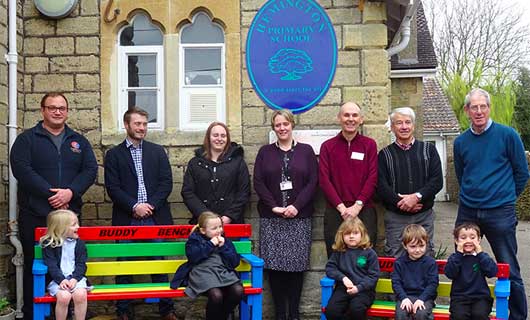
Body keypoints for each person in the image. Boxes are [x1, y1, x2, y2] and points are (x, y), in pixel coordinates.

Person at [10, 92, 97, 319]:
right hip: (36, 215)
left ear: (67, 111)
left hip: (70, 219)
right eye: (52, 107)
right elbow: (21, 168)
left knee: (69, 263)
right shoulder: (26, 140)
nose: (57, 111)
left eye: (62, 108)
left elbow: (90, 170)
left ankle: (72, 312)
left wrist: (71, 192)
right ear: (43, 111)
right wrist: (51, 193)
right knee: (36, 265)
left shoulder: (79, 141)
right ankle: (34, 313)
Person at [453, 88, 529, 320]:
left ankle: (516, 316)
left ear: (489, 107)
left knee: (508, 268)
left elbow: (522, 172)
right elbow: (461, 174)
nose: (479, 111)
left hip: (500, 211)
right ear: (467, 111)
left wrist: (506, 198)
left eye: (482, 106)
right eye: (473, 107)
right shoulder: (460, 142)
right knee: (462, 261)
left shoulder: (508, 135)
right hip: (468, 210)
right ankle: (466, 310)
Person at [104, 107, 176, 320]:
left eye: (145, 124)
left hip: (155, 217)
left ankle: (166, 310)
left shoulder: (157, 151)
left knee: (159, 264)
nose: (142, 128)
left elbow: (166, 183)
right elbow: (113, 187)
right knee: (125, 265)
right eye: (137, 124)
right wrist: (134, 206)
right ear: (127, 125)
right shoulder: (114, 155)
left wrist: (149, 205)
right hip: (127, 218)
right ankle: (123, 311)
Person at [253, 109, 318, 320]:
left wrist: (296, 206)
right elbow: (259, 182)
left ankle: (295, 313)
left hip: (299, 218)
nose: (282, 128)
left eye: (285, 124)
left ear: (292, 125)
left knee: (296, 267)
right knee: (274, 267)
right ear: (274, 128)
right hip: (272, 218)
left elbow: (313, 182)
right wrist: (274, 206)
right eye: (278, 125)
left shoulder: (306, 151)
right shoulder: (265, 152)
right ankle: (280, 313)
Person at [378, 107, 443, 257]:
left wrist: (416, 197)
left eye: (408, 122)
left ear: (413, 125)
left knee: (425, 256)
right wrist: (401, 203)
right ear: (393, 127)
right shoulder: (384, 155)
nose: (404, 126)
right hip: (396, 217)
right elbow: (381, 186)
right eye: (399, 123)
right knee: (396, 257)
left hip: (424, 216)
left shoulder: (429, 150)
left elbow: (437, 180)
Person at [319, 101, 378, 257]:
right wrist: (342, 208)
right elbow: (324, 180)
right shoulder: (327, 147)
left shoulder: (369, 145)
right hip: (336, 212)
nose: (350, 119)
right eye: (346, 115)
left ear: (361, 119)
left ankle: (361, 282)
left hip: (364, 210)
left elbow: (373, 177)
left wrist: (357, 206)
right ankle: (340, 282)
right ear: (339, 118)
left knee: (364, 256)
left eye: (354, 115)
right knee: (336, 254)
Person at [170, 211, 243, 320]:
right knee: (216, 295)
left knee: (238, 291)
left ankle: (222, 317)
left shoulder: (225, 241)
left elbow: (234, 262)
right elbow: (193, 257)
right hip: (202, 274)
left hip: (222, 272)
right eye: (214, 228)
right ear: (203, 230)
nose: (219, 231)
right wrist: (211, 244)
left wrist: (223, 247)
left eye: (220, 227)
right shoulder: (194, 240)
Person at [182, 121, 250, 224]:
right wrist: (206, 216)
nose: (219, 139)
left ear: (227, 139)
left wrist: (229, 216)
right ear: (208, 138)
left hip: (231, 223)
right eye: (215, 135)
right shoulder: (195, 163)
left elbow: (244, 192)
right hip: (202, 222)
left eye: (223, 136)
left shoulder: (238, 162)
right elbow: (188, 192)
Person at [324, 218, 380, 320]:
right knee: (331, 312)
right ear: (341, 235)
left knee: (356, 310)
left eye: (355, 233)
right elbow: (330, 268)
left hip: (364, 291)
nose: (351, 236)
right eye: (347, 233)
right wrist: (343, 278)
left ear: (362, 234)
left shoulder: (369, 253)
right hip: (343, 289)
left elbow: (373, 276)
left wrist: (359, 288)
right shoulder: (339, 252)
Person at [40, 210, 90, 320]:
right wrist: (61, 280)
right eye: (74, 225)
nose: (78, 227)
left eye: (77, 223)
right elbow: (51, 265)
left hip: (76, 279)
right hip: (57, 280)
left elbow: (81, 264)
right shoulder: (50, 244)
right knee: (64, 297)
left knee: (81, 295)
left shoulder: (80, 244)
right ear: (61, 228)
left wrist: (75, 279)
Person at [445, 223, 498, 320]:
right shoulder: (455, 258)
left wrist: (480, 253)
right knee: (458, 316)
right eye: (463, 238)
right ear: (456, 241)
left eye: (472, 237)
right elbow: (450, 273)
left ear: (479, 240)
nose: (468, 241)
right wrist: (459, 254)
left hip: (480, 298)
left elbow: (492, 272)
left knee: (479, 315)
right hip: (459, 298)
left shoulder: (482, 257)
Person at [391, 224, 438, 320]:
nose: (417, 250)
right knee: (401, 315)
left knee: (421, 314)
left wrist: (421, 299)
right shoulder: (399, 263)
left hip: (424, 298)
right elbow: (396, 283)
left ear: (426, 243)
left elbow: (433, 284)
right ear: (405, 246)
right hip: (405, 297)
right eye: (413, 246)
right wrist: (403, 298)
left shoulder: (430, 263)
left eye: (421, 246)